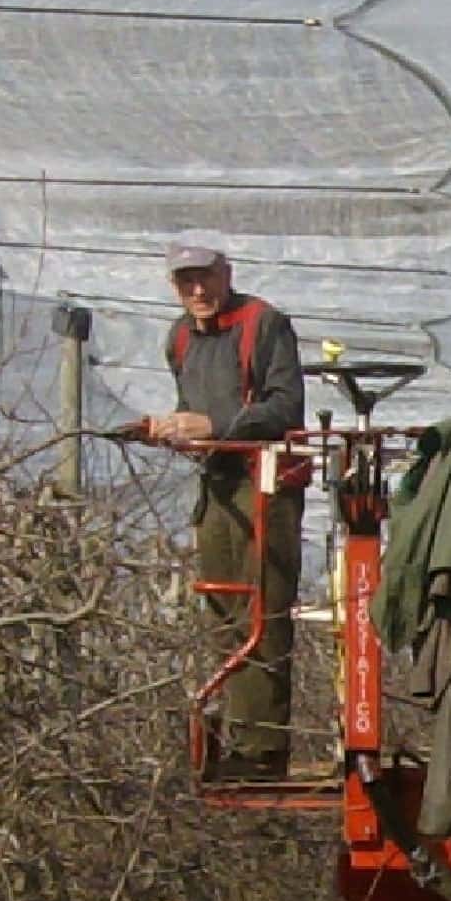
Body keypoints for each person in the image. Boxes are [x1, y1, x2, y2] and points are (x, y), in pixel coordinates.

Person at [135, 239, 307, 775]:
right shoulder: (180, 338)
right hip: (215, 481)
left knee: (263, 606)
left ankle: (263, 749)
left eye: (204, 277)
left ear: (225, 274)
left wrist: (217, 427)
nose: (196, 289)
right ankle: (233, 734)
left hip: (264, 481)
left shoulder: (264, 324)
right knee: (221, 608)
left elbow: (285, 406)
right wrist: (174, 430)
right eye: (184, 280)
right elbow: (194, 408)